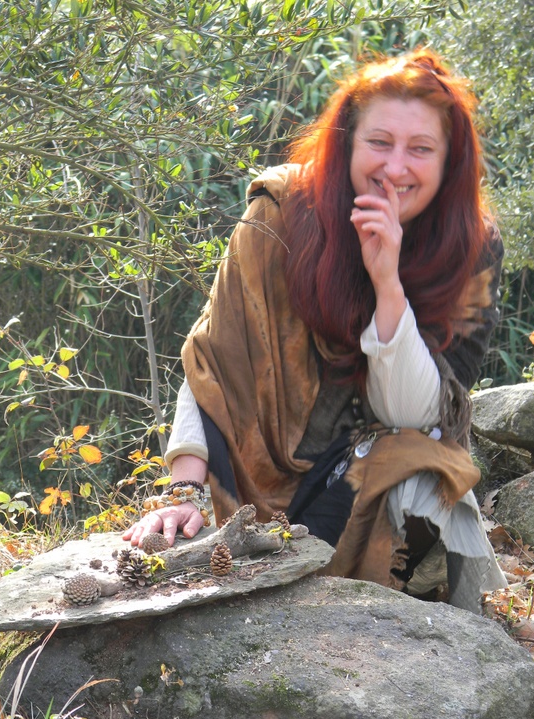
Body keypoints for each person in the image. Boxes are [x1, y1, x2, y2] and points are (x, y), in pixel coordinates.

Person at [123, 49, 507, 613]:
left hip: (366, 478)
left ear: (448, 163)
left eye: (420, 149)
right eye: (379, 143)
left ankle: (399, 621)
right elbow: (213, 362)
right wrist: (183, 490)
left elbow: (414, 417)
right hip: (249, 485)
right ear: (348, 143)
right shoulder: (280, 217)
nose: (395, 168)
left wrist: (388, 286)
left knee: (422, 471)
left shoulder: (472, 250)